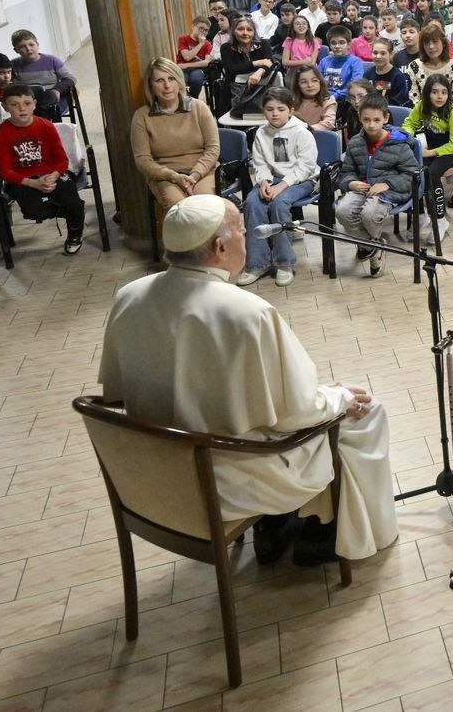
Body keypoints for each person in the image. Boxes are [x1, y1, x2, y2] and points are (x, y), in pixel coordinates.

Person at [99, 194, 398, 562]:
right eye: (242, 230)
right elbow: (297, 412)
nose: (247, 236)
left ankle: (277, 526)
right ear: (220, 247)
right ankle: (328, 537)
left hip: (157, 472)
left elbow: (117, 390)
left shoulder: (129, 296)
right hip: (231, 477)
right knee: (364, 413)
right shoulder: (246, 312)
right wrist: (340, 397)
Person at [234, 88, 318, 287]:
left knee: (279, 204)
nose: (274, 114)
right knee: (252, 203)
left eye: (281, 109)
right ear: (263, 111)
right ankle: (257, 263)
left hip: (301, 180)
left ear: (291, 110)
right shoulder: (261, 133)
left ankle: (284, 262)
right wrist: (263, 181)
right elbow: (260, 163)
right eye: (269, 109)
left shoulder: (301, 132)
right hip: (272, 180)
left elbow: (305, 167)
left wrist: (281, 186)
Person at [0, 83, 87, 256]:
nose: (22, 109)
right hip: (23, 179)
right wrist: (33, 183)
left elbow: (62, 159)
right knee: (33, 212)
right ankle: (72, 212)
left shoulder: (45, 126)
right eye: (15, 104)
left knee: (72, 202)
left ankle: (75, 235)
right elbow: (5, 171)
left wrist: (53, 176)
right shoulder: (1, 132)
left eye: (27, 103)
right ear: (5, 106)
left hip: (52, 173)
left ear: (35, 104)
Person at [334, 96, 419, 278]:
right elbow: (346, 172)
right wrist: (350, 182)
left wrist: (387, 184)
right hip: (362, 189)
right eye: (366, 120)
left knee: (369, 214)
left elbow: (412, 175)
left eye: (376, 120)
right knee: (342, 211)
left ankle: (368, 249)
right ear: (359, 117)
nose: (371, 125)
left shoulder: (399, 144)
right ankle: (375, 247)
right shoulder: (355, 143)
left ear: (385, 119)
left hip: (389, 192)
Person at [130, 59, 220, 207]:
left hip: (202, 171)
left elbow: (213, 148)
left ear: (179, 81)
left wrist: (195, 174)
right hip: (165, 176)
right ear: (151, 86)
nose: (167, 86)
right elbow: (142, 160)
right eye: (159, 80)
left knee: (205, 204)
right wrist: (173, 176)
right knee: (179, 207)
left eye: (171, 78)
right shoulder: (141, 116)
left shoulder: (199, 107)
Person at [402, 74, 453, 236]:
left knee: (431, 174)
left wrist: (430, 152)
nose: (440, 96)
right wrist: (408, 135)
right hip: (432, 145)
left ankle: (440, 219)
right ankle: (420, 216)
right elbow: (410, 123)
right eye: (435, 92)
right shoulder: (423, 106)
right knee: (415, 171)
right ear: (427, 93)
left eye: (444, 92)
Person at [219, 17, 279, 118]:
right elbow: (231, 69)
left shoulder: (263, 44)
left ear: (254, 32)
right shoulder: (226, 47)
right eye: (240, 29)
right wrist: (256, 63)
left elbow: (271, 63)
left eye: (249, 29)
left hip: (262, 91)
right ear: (233, 31)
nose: (245, 33)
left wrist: (259, 72)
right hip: (233, 92)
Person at [10, 30, 76, 119]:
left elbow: (71, 78)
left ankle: (40, 123)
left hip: (51, 97)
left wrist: (57, 89)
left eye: (31, 45)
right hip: (26, 100)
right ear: (16, 50)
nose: (28, 49)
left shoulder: (52, 60)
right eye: (22, 47)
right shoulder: (12, 65)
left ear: (37, 44)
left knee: (47, 100)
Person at [406, 23, 453, 106]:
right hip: (420, 112)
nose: (431, 46)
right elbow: (414, 100)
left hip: (449, 112)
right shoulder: (414, 67)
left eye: (435, 42)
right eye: (427, 43)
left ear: (443, 43)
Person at [176, 17, 215, 98]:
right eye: (201, 28)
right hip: (182, 71)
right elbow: (187, 57)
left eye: (206, 30)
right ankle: (186, 98)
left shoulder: (207, 44)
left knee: (197, 77)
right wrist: (200, 45)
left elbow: (206, 62)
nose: (204, 32)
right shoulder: (183, 38)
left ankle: (193, 98)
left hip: (197, 70)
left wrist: (201, 43)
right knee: (179, 80)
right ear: (193, 27)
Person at [365, 39, 411, 107]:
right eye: (375, 53)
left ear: (391, 54)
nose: (378, 56)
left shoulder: (398, 77)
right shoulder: (367, 74)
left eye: (383, 53)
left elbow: (397, 103)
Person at [289, 67, 338, 132]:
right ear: (297, 85)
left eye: (314, 80)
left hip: (317, 136)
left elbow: (328, 124)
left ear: (320, 82)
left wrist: (304, 129)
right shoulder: (291, 101)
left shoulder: (329, 101)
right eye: (304, 82)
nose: (310, 85)